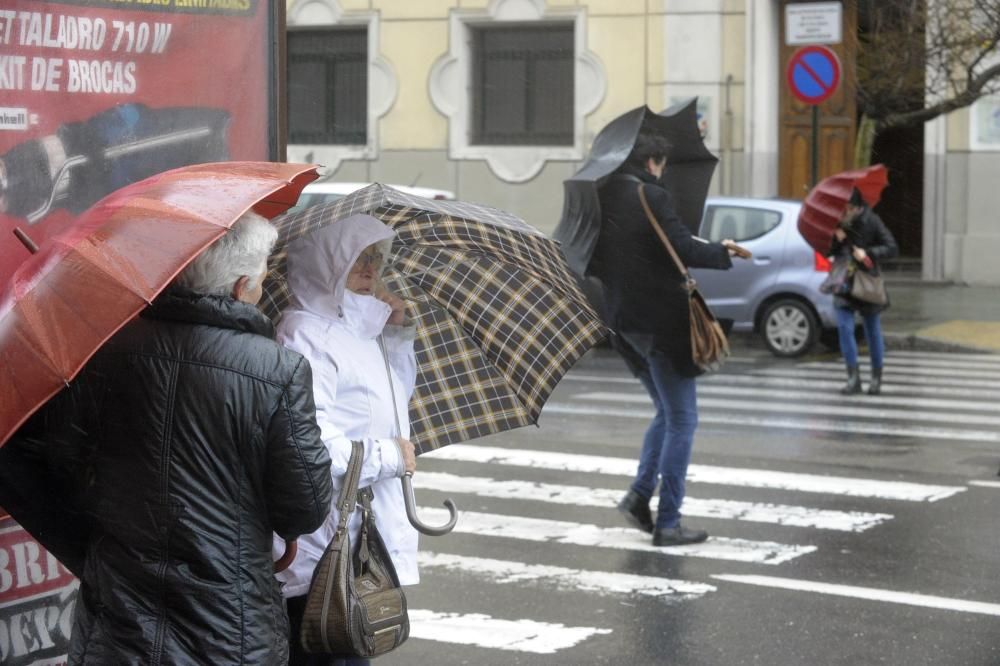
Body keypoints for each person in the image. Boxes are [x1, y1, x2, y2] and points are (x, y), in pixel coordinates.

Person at [0, 211, 335, 664]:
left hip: (118, 622)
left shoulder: (103, 353)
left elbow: (63, 464)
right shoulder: (275, 370)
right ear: (241, 287)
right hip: (225, 626)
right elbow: (304, 507)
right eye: (259, 277)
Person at [274, 213, 419, 666]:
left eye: (376, 258)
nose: (371, 270)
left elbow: (392, 409)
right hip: (324, 540)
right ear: (326, 264)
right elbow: (310, 443)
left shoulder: (362, 331)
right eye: (357, 259)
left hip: (356, 535)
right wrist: (391, 456)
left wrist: (395, 335)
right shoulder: (304, 334)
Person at [590, 131, 739, 547]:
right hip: (659, 324)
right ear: (653, 161)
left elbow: (596, 262)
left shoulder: (602, 199)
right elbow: (682, 247)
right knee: (683, 420)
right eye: (662, 164)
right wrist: (722, 251)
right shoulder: (649, 197)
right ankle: (668, 521)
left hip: (625, 324)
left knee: (665, 412)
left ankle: (639, 496)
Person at [830, 189, 899, 395]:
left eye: (850, 208)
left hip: (867, 282)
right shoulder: (838, 222)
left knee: (872, 331)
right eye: (844, 208)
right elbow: (829, 251)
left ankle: (876, 379)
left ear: (859, 207)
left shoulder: (872, 221)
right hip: (843, 282)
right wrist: (836, 239)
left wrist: (867, 253)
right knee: (844, 328)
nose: (847, 211)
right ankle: (853, 378)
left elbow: (891, 247)